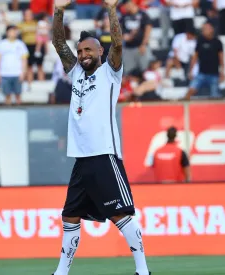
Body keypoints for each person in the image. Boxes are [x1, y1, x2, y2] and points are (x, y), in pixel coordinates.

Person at [51, 0, 151, 274]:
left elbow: (118, 45)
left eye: (88, 50)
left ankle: (143, 270)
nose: (82, 54)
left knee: (121, 215)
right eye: (80, 50)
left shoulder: (110, 72)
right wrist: (58, 10)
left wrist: (110, 8)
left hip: (104, 154)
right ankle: (61, 272)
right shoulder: (76, 74)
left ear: (100, 52)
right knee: (69, 216)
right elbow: (58, 44)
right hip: (81, 159)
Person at [185, 22, 224, 99]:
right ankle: (185, 109)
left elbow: (221, 58)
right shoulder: (200, 41)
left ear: (212, 29)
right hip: (201, 74)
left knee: (215, 96)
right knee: (190, 91)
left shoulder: (217, 42)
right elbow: (195, 57)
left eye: (206, 29)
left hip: (214, 74)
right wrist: (191, 70)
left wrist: (222, 72)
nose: (204, 31)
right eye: (203, 29)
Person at [0, 25, 28, 105]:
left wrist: (23, 73)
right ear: (7, 32)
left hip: (17, 73)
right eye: (11, 31)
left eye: (14, 31)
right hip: (4, 74)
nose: (13, 33)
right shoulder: (1, 44)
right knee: (7, 95)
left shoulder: (20, 44)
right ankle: (8, 113)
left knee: (18, 95)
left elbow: (24, 60)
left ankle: (19, 112)